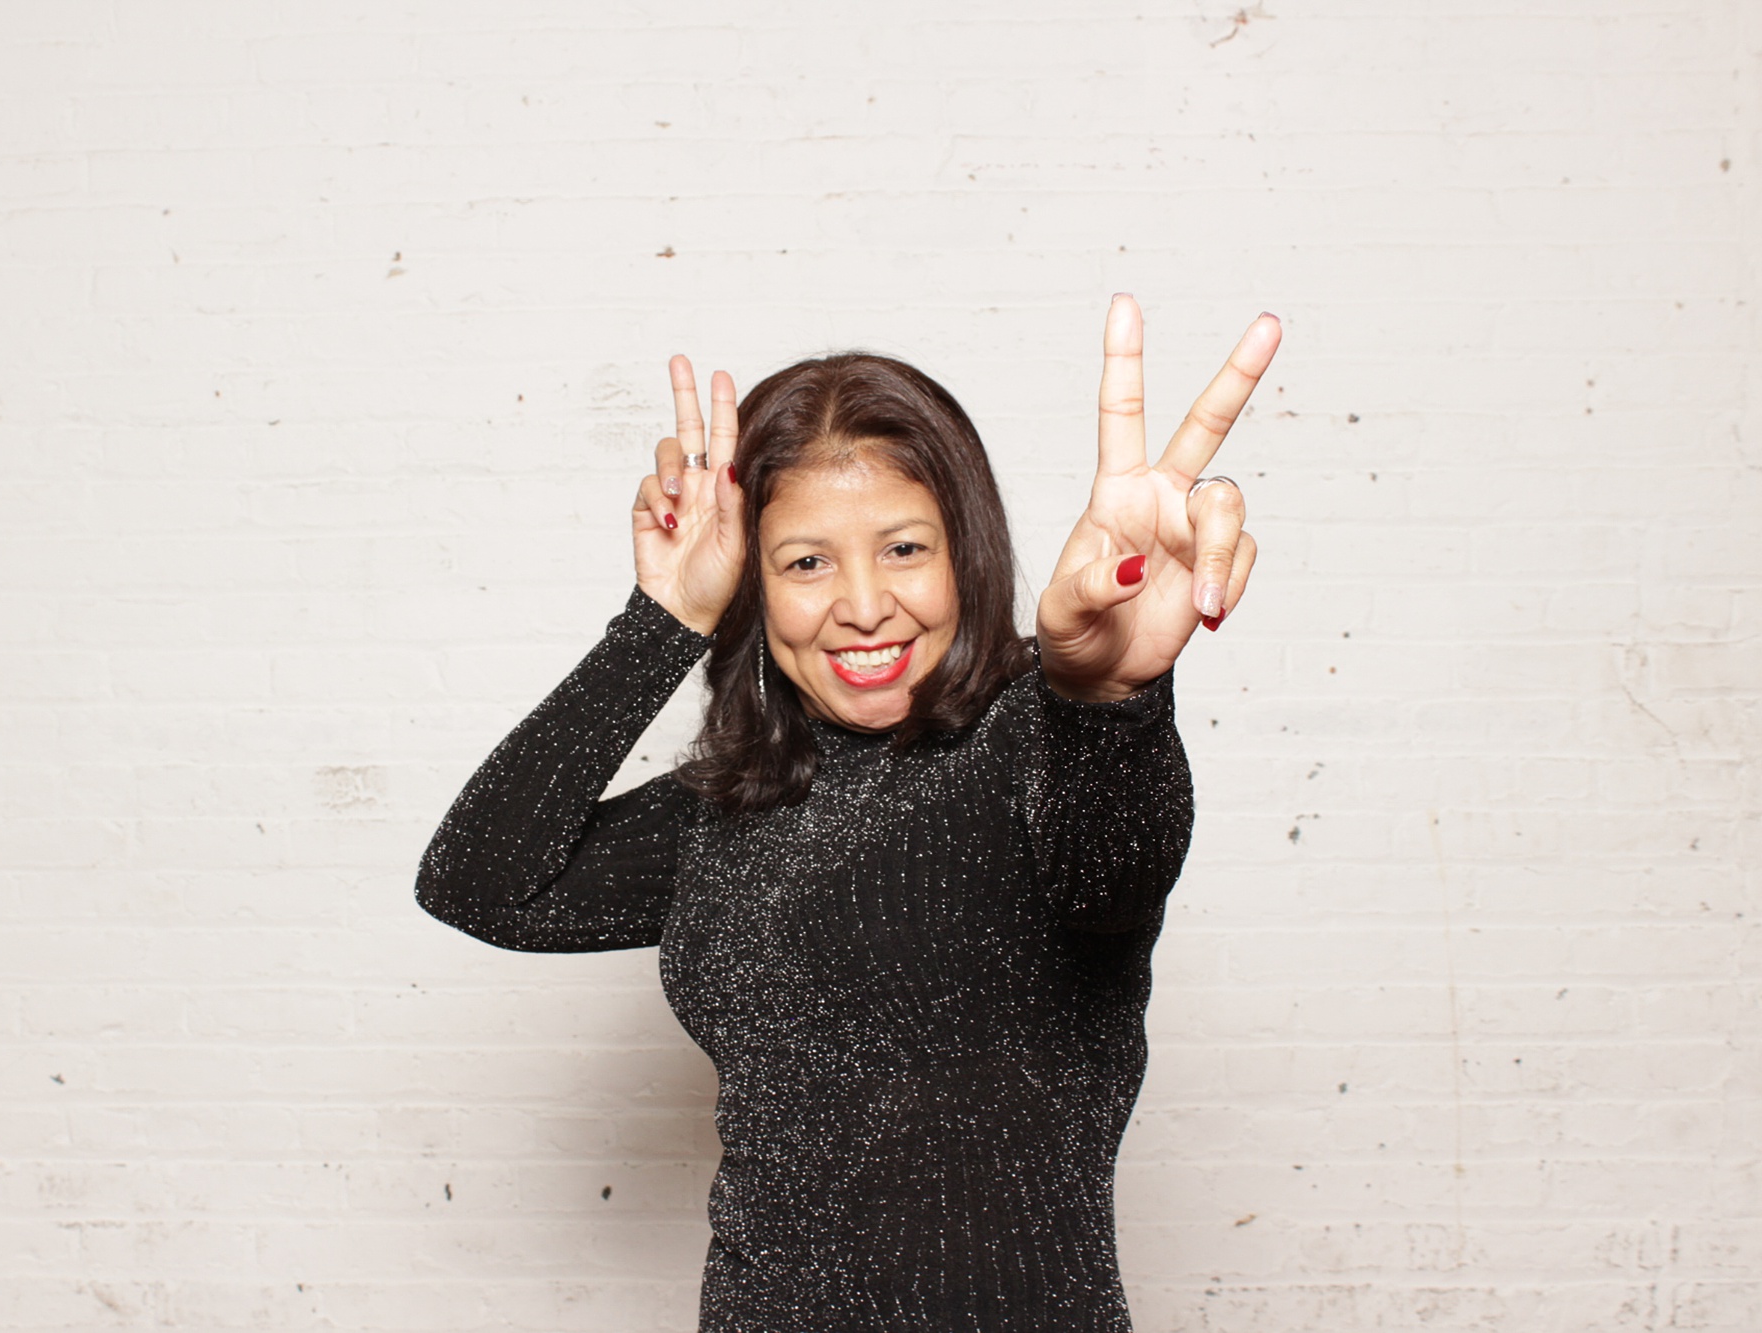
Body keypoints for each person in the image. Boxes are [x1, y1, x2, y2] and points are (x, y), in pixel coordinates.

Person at [417, 294, 1278, 1332]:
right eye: (806, 561)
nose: (862, 603)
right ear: (756, 586)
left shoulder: (1034, 738)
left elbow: (1114, 873)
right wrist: (660, 622)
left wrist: (1106, 700)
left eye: (904, 548)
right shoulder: (735, 796)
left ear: (966, 550)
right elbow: (476, 881)